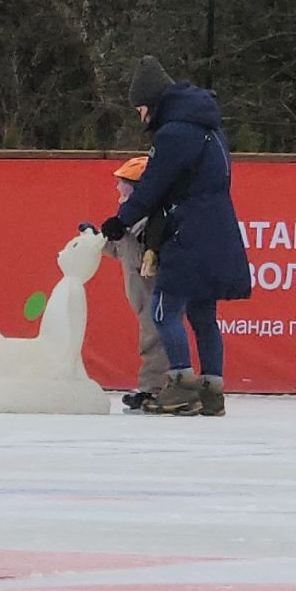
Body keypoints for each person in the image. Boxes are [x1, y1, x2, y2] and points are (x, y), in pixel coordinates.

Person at [100, 56, 248, 416]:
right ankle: (212, 390)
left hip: (187, 228)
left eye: (140, 109)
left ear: (153, 103)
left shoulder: (175, 132)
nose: (140, 117)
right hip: (219, 226)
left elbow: (154, 184)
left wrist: (122, 220)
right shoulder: (211, 129)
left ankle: (181, 386)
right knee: (203, 314)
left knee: (163, 310)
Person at [100, 156, 170, 410]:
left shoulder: (151, 220)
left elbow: (142, 256)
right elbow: (119, 250)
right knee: (150, 334)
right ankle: (154, 387)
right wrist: (97, 238)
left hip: (152, 290)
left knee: (155, 337)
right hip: (139, 292)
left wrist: (122, 236)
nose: (119, 189)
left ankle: (154, 389)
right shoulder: (130, 219)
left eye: (124, 184)